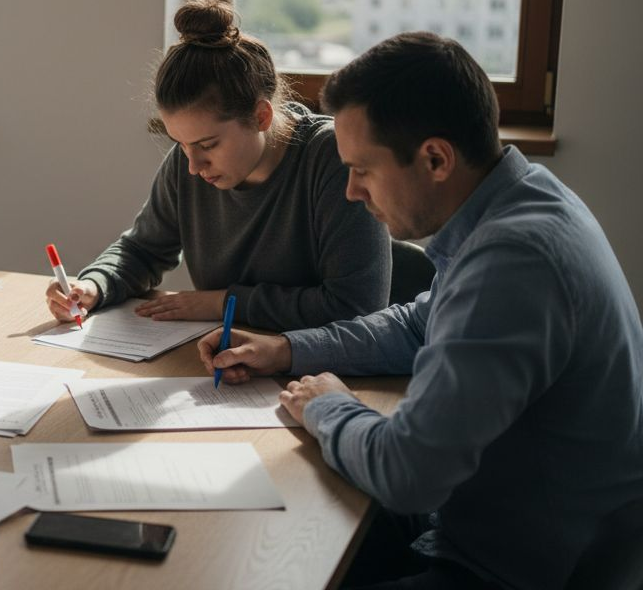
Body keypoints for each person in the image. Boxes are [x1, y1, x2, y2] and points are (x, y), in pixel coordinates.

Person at [199, 32, 643, 589]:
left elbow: (407, 475)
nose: (352, 193)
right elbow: (417, 323)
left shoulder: (512, 263)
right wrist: (286, 349)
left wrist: (329, 407)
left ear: (435, 158)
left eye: (362, 170)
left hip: (520, 569)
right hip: (493, 523)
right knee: (277, 521)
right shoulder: (522, 199)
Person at [46, 0, 390, 331]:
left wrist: (223, 302)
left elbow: (356, 306)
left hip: (325, 370)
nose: (193, 166)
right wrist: (91, 286)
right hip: (233, 360)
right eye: (180, 143)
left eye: (208, 145)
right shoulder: (186, 165)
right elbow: (143, 251)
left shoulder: (334, 159)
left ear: (261, 117)